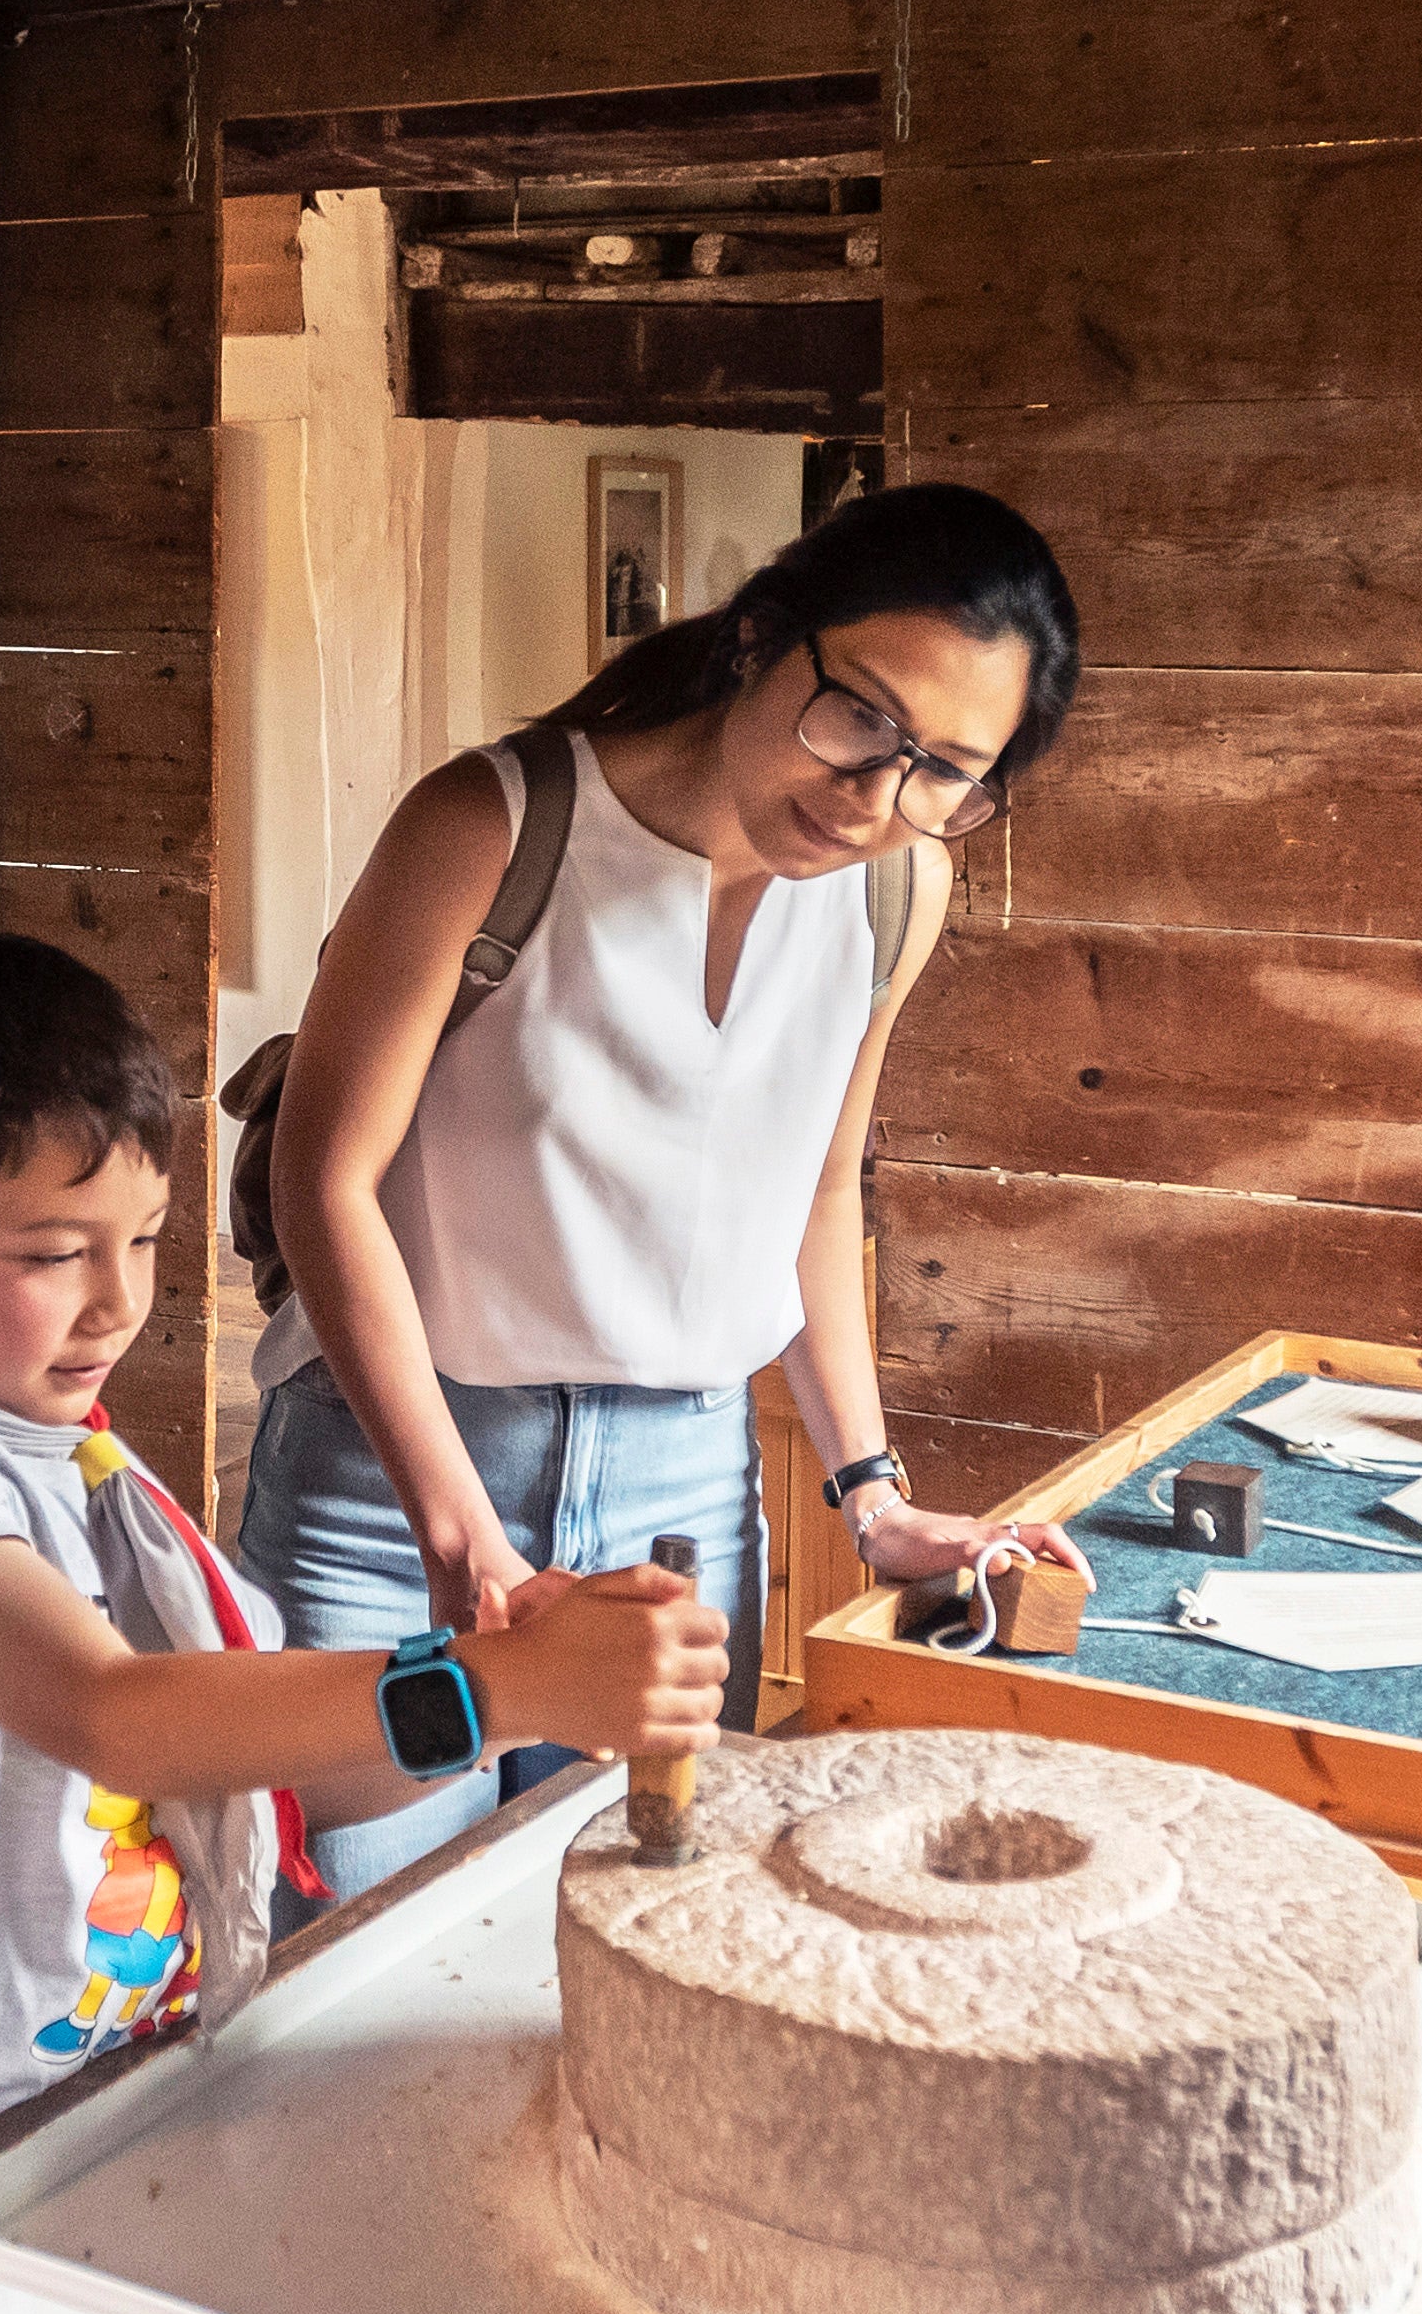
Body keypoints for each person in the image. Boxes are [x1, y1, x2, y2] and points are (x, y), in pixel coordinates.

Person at [0, 930, 722, 2231]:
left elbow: (279, 1777)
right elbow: (113, 1716)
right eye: (56, 1253)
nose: (119, 1301)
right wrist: (485, 1676)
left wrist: (508, 1708)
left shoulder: (87, 1466)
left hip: (125, 2104)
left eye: (147, 1238)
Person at [241, 482, 1086, 1917]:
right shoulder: (493, 826)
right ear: (765, 633)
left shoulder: (897, 894)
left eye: (947, 768)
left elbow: (817, 1187)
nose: (879, 800)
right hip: (392, 1481)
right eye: (860, 719)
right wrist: (453, 1520)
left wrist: (871, 1497)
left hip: (683, 1495)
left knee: (631, 1940)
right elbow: (325, 1180)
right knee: (347, 1957)